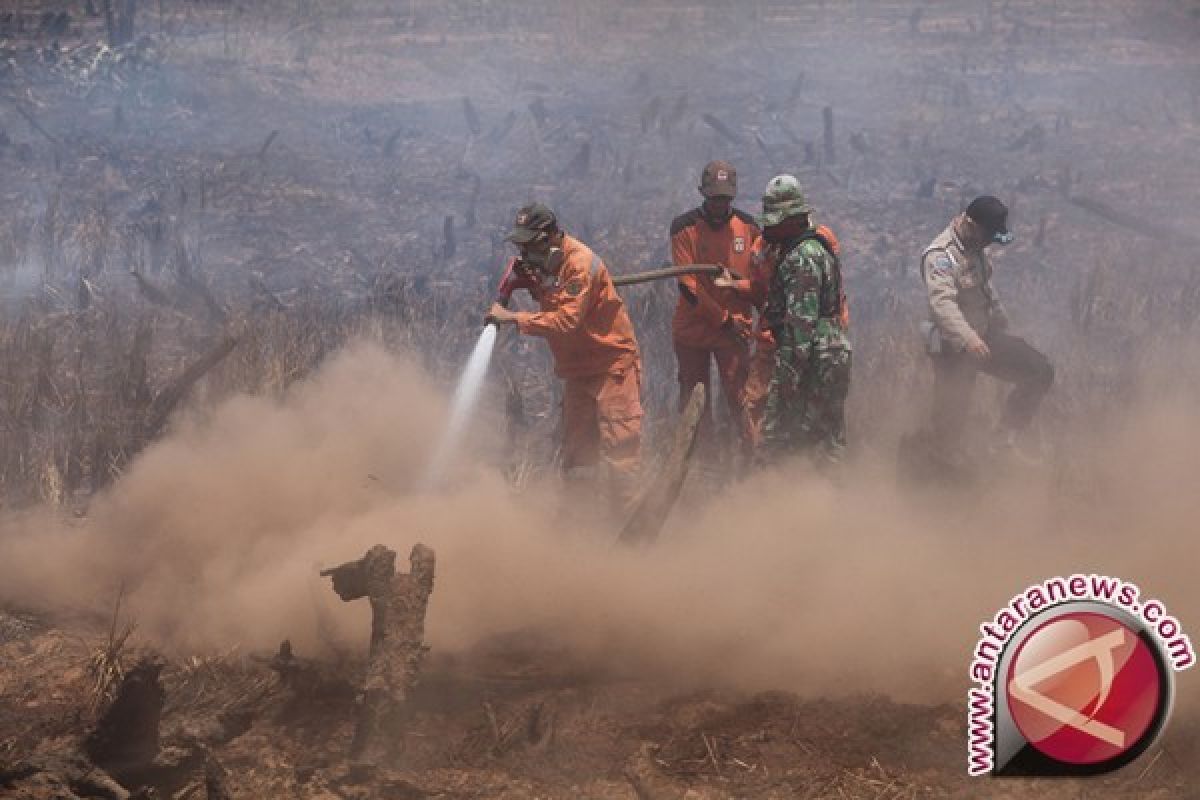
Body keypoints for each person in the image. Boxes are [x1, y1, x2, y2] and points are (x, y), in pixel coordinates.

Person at [487, 203, 643, 513]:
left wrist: (514, 317)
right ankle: (577, 526)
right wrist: (514, 286)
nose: (525, 253)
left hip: (612, 366)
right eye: (521, 246)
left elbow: (566, 321)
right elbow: (529, 285)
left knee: (620, 453)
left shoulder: (579, 265)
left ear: (549, 239)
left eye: (529, 245)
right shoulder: (544, 266)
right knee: (578, 455)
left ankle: (630, 530)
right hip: (577, 372)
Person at [920, 195, 1053, 461]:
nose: (989, 241)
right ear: (969, 224)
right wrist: (968, 339)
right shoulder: (940, 257)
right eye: (987, 234)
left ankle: (1004, 439)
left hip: (985, 336)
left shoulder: (975, 249)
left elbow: (985, 288)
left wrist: (1002, 320)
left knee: (1039, 371)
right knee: (950, 424)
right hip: (954, 348)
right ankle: (932, 480)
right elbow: (942, 305)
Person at [754, 175, 851, 464]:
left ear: (793, 220)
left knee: (779, 437)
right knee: (827, 441)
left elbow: (800, 329)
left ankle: (775, 498)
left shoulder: (801, 259)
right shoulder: (817, 248)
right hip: (832, 353)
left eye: (775, 220)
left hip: (812, 360)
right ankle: (828, 501)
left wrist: (786, 383)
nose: (768, 227)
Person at [668, 160, 761, 456]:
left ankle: (751, 459)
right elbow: (688, 286)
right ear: (703, 194)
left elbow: (761, 278)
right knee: (695, 401)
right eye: (714, 198)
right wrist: (723, 320)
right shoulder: (685, 228)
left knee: (740, 397)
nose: (719, 205)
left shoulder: (749, 228)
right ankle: (698, 463)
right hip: (694, 331)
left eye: (724, 199)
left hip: (734, 332)